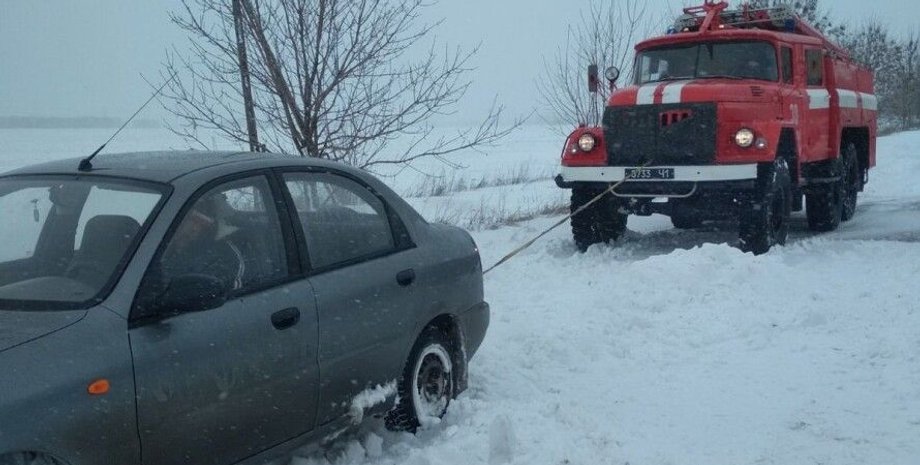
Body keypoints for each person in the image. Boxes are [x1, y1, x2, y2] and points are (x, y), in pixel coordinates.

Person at [159, 193, 246, 293]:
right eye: (192, 220)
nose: (195, 228)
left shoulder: (225, 255)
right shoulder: (156, 244)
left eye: (201, 224)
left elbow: (227, 296)